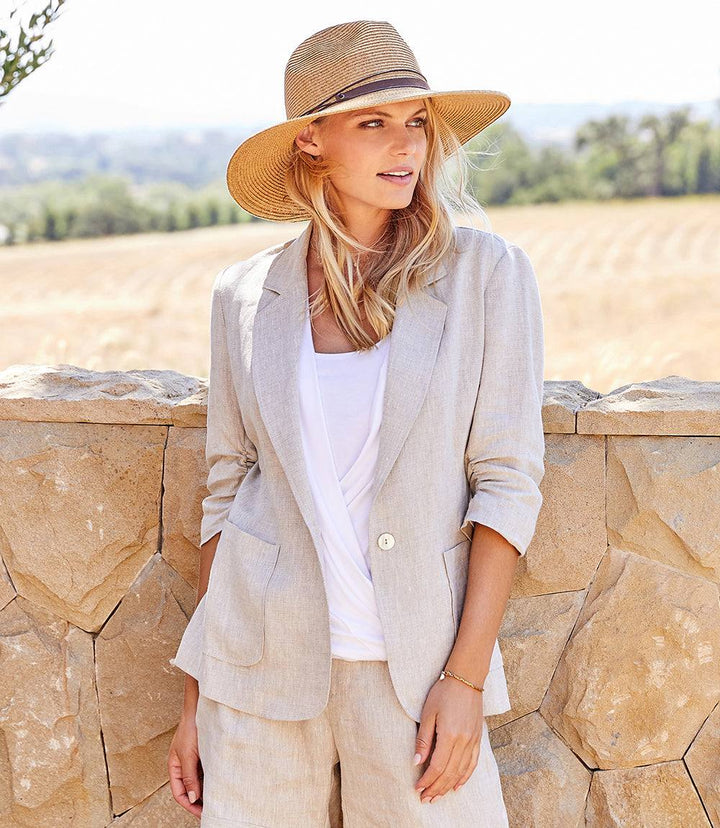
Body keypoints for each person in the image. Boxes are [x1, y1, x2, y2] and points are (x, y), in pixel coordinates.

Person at [167, 19, 545, 827]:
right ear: (312, 142)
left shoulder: (486, 276)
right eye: (373, 123)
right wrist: (199, 695)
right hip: (262, 676)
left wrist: (466, 679)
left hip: (415, 677)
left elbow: (508, 482)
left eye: (416, 122)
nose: (404, 146)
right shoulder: (245, 297)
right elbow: (227, 496)